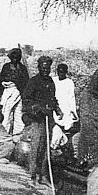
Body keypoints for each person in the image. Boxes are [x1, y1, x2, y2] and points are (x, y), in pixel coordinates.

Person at [21, 56, 63, 187]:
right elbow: (26, 100)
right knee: (36, 147)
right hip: (37, 119)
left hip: (48, 119)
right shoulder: (33, 82)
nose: (45, 70)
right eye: (43, 68)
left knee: (46, 148)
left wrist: (57, 109)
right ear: (39, 68)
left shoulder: (50, 81)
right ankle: (33, 176)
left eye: (47, 68)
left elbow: (52, 99)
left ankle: (43, 176)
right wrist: (38, 108)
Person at [0, 48, 29, 135]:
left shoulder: (22, 68)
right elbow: (1, 82)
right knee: (5, 115)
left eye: (17, 58)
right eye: (13, 58)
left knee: (19, 115)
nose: (15, 60)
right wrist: (0, 97)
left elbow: (25, 83)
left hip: (19, 93)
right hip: (7, 93)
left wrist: (24, 96)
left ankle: (18, 135)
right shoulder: (6, 67)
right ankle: (4, 134)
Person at [51, 64, 78, 148]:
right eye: (59, 72)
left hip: (66, 106)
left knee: (66, 124)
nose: (60, 74)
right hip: (56, 106)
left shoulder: (69, 82)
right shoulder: (53, 80)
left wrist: (73, 111)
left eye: (62, 72)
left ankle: (64, 143)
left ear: (66, 72)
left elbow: (71, 98)